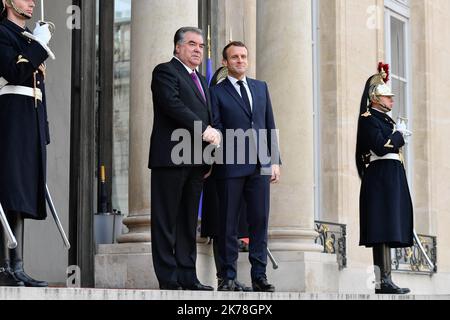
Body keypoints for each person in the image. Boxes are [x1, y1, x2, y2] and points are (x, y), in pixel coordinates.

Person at [149, 26, 220, 290]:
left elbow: (210, 117)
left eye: (201, 46)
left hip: (196, 160)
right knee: (166, 220)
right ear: (178, 47)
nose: (197, 50)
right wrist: (204, 130)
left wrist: (209, 158)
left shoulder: (202, 80)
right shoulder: (165, 71)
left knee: (188, 221)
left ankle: (188, 276)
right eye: (192, 44)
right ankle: (168, 279)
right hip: (170, 157)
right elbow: (172, 105)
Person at [210, 41, 280, 292]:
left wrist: (274, 161)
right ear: (225, 62)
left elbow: (269, 124)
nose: (240, 60)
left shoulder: (260, 88)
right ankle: (227, 276)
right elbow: (216, 126)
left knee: (259, 221)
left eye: (243, 56)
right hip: (229, 165)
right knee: (228, 223)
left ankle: (259, 277)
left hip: (260, 164)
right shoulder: (216, 92)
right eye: (235, 57)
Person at [0, 0, 54, 287]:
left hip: (29, 123)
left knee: (19, 196)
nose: (32, 2)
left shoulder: (30, 38)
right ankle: (4, 268)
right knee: (8, 193)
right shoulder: (2, 33)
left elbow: (37, 89)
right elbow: (15, 72)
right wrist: (39, 46)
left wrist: (42, 130)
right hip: (10, 122)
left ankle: (16, 265)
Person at [355, 62, 413, 294]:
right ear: (376, 99)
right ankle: (383, 281)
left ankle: (387, 279)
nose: (392, 100)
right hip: (380, 177)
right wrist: (398, 136)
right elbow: (381, 147)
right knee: (381, 227)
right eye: (388, 98)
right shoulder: (369, 118)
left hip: (391, 175)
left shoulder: (386, 120)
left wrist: (396, 133)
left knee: (390, 225)